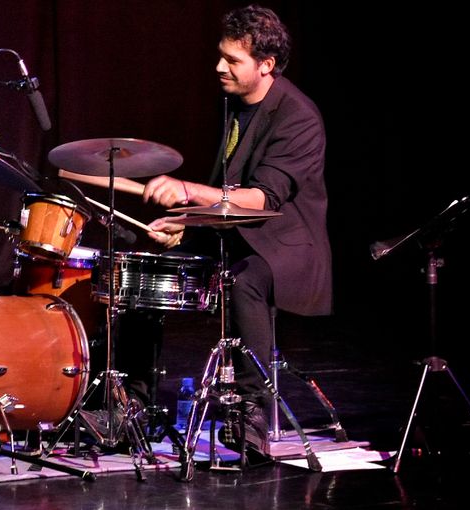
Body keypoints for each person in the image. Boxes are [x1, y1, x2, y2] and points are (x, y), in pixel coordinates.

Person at [141, 4, 332, 460]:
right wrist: (184, 225)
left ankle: (252, 411)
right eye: (221, 56)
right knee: (140, 259)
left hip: (286, 244)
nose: (219, 67)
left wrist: (186, 191)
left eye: (233, 60)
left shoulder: (298, 116)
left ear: (266, 65)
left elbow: (264, 199)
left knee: (245, 278)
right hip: (236, 232)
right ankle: (130, 397)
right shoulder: (235, 105)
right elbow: (228, 196)